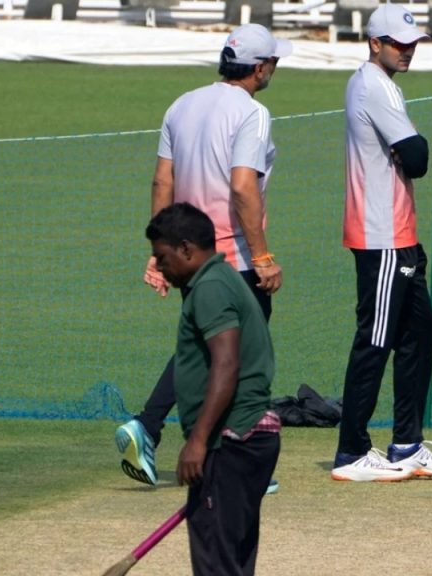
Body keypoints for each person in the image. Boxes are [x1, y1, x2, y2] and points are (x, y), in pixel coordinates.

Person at [115, 23, 289, 488]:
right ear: (260, 67)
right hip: (231, 256)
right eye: (273, 62)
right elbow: (242, 185)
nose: (274, 69)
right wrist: (264, 256)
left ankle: (149, 427)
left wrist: (160, 253)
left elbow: (161, 181)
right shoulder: (253, 112)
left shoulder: (182, 103)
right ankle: (228, 457)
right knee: (237, 353)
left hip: (187, 252)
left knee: (198, 350)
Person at [331, 4, 432, 483]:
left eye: (412, 44)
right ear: (374, 44)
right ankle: (351, 450)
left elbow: (412, 155)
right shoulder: (372, 85)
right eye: (398, 44)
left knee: (419, 333)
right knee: (375, 339)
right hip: (380, 233)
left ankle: (406, 442)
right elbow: (418, 157)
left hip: (399, 233)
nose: (407, 51)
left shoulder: (385, 85)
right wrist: (414, 146)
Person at [146, 202, 280, 575]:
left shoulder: (210, 288)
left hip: (231, 440)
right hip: (244, 439)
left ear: (187, 248)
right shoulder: (219, 278)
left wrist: (198, 440)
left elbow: (226, 363)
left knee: (216, 563)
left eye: (162, 257)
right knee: (231, 558)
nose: (158, 267)